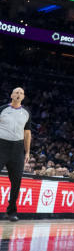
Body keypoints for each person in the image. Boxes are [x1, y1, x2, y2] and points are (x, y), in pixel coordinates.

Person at [0, 87, 31, 221]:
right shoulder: (2, 109)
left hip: (17, 148)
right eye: (16, 92)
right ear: (11, 95)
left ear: (23, 97)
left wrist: (27, 151)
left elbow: (27, 133)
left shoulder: (26, 112)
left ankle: (11, 212)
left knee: (17, 181)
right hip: (1, 145)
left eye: (21, 93)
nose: (18, 94)